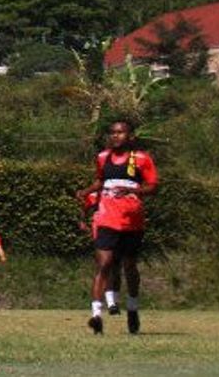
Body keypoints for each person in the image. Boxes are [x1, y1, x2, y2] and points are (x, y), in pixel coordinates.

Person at [75, 119, 158, 335]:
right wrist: (85, 191)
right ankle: (96, 316)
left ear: (130, 136)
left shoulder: (141, 159)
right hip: (106, 219)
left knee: (130, 266)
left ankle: (132, 308)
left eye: (120, 133)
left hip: (132, 221)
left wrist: (132, 191)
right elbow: (100, 182)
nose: (115, 136)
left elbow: (153, 187)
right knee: (104, 264)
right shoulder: (103, 157)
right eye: (112, 132)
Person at [80, 190, 123, 314]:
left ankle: (113, 300)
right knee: (104, 265)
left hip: (118, 230)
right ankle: (109, 303)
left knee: (116, 266)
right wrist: (82, 221)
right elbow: (85, 206)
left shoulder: (120, 190)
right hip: (101, 231)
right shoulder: (96, 193)